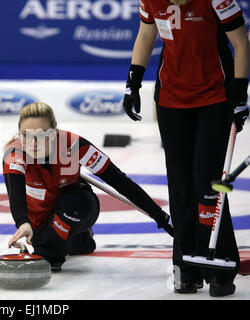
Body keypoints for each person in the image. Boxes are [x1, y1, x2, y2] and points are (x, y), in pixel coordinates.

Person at [122, 0, 249, 297]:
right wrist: (133, 82)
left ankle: (221, 267)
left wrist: (241, 90)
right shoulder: (151, 0)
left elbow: (241, 43)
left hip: (214, 97)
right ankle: (185, 269)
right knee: (179, 186)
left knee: (208, 183)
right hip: (171, 100)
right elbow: (145, 34)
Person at [2, 102, 173, 272]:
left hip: (76, 207)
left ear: (54, 134)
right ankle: (79, 238)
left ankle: (59, 243)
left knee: (51, 250)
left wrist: (160, 217)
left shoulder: (73, 145)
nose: (32, 143)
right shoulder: (14, 155)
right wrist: (23, 223)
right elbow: (15, 195)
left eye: (40, 135)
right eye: (25, 135)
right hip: (39, 217)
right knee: (65, 243)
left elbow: (119, 181)